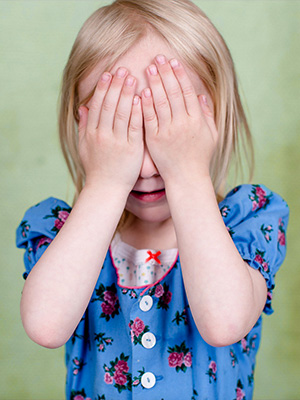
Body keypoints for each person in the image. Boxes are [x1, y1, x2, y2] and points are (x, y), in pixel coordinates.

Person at [16, 0, 289, 399]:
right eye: (121, 130)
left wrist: (187, 172)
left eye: (171, 129)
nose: (144, 167)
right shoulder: (60, 231)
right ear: (83, 129)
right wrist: (107, 181)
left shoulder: (248, 220)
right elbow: (45, 326)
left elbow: (224, 321)